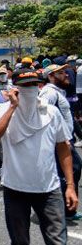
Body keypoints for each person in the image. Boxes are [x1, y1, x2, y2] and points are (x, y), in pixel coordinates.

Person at [0, 68, 77, 245]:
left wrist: (71, 186)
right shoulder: (0, 110)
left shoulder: (52, 112)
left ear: (40, 86)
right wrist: (13, 107)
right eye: (24, 87)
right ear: (14, 88)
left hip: (50, 190)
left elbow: (63, 147)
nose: (30, 91)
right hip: (15, 191)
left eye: (34, 85)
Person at [40, 64, 82, 222]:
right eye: (61, 72)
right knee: (67, 172)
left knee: (73, 171)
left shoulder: (58, 92)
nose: (66, 75)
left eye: (65, 71)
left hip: (65, 139)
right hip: (59, 141)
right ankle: (60, 210)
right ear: (51, 76)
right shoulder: (49, 93)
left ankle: (68, 210)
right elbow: (43, 115)